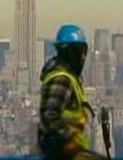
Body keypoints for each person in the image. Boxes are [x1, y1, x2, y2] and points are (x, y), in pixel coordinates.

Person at [38, 24, 106, 160]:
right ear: (73, 52)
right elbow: (49, 116)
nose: (83, 58)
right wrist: (69, 140)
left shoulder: (68, 78)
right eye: (82, 53)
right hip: (63, 153)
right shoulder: (62, 79)